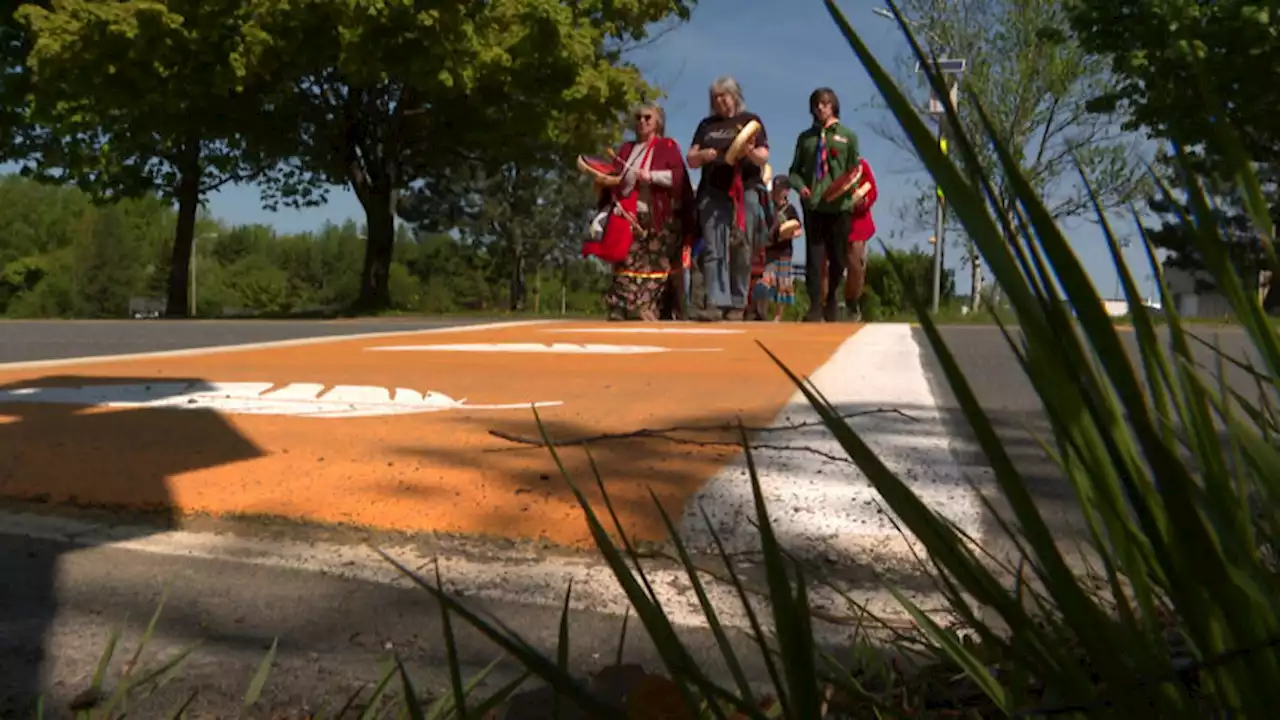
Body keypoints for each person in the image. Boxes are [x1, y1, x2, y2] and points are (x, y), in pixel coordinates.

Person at [595, 103, 696, 321]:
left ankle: (649, 308)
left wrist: (652, 176)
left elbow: (678, 178)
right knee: (626, 261)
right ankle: (620, 306)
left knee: (654, 266)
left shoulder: (667, 146)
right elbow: (615, 179)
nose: (642, 121)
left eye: (647, 117)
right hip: (629, 215)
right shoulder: (625, 150)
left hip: (659, 217)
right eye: (638, 117)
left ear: (658, 122)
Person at [687, 76, 770, 321]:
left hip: (745, 190)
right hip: (713, 192)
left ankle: (738, 302)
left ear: (735, 96)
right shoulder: (707, 125)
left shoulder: (750, 121)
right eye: (715, 97)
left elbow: (764, 156)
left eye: (724, 95)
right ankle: (716, 301)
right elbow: (691, 158)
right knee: (714, 248)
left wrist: (750, 153)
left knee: (742, 247)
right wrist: (703, 154)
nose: (720, 100)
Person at [787, 87, 860, 322]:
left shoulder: (848, 136)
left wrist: (846, 190)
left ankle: (831, 301)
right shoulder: (805, 138)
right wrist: (801, 188)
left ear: (834, 106)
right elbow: (794, 172)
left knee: (838, 259)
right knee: (815, 259)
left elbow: (853, 171)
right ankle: (814, 306)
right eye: (817, 104)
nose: (821, 107)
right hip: (814, 206)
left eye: (826, 103)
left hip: (839, 207)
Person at [820, 156, 879, 320]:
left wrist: (863, 201)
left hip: (856, 223)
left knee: (856, 262)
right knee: (824, 264)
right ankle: (825, 304)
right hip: (832, 221)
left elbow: (872, 189)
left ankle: (852, 301)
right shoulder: (824, 165)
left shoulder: (860, 165)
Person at [756, 174, 802, 321]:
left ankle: (778, 316)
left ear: (787, 191)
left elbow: (799, 228)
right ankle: (760, 312)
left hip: (784, 251)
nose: (778, 191)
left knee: (783, 284)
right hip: (769, 249)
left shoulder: (790, 209)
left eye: (781, 188)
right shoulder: (767, 206)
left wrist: (791, 233)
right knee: (765, 280)